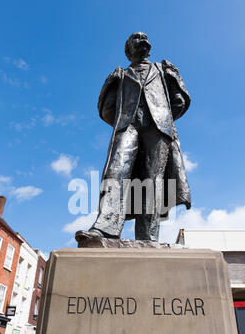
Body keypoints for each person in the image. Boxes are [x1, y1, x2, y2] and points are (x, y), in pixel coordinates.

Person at [77, 32, 191, 243]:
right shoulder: (120, 74)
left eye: (143, 37)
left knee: (152, 180)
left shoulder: (163, 70)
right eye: (135, 38)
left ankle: (148, 236)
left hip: (157, 128)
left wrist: (162, 119)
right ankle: (106, 226)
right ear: (128, 50)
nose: (141, 39)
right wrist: (126, 120)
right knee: (116, 170)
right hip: (128, 126)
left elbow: (179, 101)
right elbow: (107, 109)